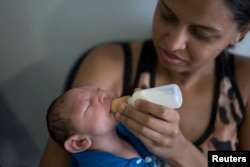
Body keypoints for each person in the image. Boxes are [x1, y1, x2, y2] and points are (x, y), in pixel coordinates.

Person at [40, 0, 250, 166]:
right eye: (167, 15)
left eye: (202, 33)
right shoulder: (111, 65)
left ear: (240, 33)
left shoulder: (244, 81)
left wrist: (179, 151)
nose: (173, 43)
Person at [46, 85, 159, 167]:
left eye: (97, 89)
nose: (102, 94)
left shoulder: (123, 126)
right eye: (88, 105)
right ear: (79, 142)